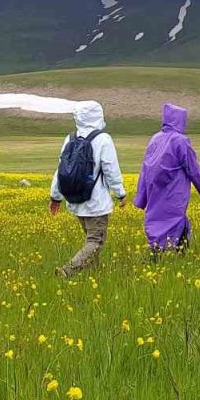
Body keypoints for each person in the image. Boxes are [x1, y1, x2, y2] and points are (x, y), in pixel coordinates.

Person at [48, 101, 127, 277]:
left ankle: (95, 276)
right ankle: (67, 271)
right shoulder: (103, 139)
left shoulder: (70, 138)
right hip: (96, 202)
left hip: (75, 200)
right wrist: (120, 193)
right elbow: (110, 169)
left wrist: (55, 197)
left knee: (90, 242)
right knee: (95, 242)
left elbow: (61, 170)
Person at [134, 103, 200, 251]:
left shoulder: (155, 139)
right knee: (175, 221)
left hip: (154, 192)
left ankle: (157, 252)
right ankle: (173, 256)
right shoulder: (180, 141)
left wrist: (141, 199)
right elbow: (193, 168)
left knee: (157, 221)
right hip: (174, 192)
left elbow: (145, 169)